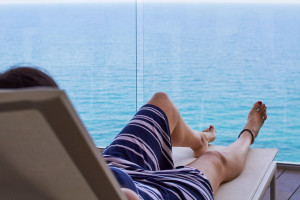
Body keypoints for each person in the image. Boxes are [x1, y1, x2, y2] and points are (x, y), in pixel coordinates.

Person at [0, 66, 267, 200]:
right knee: (215, 162)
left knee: (161, 103)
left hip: (109, 170)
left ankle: (200, 140)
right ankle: (248, 133)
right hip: (157, 194)